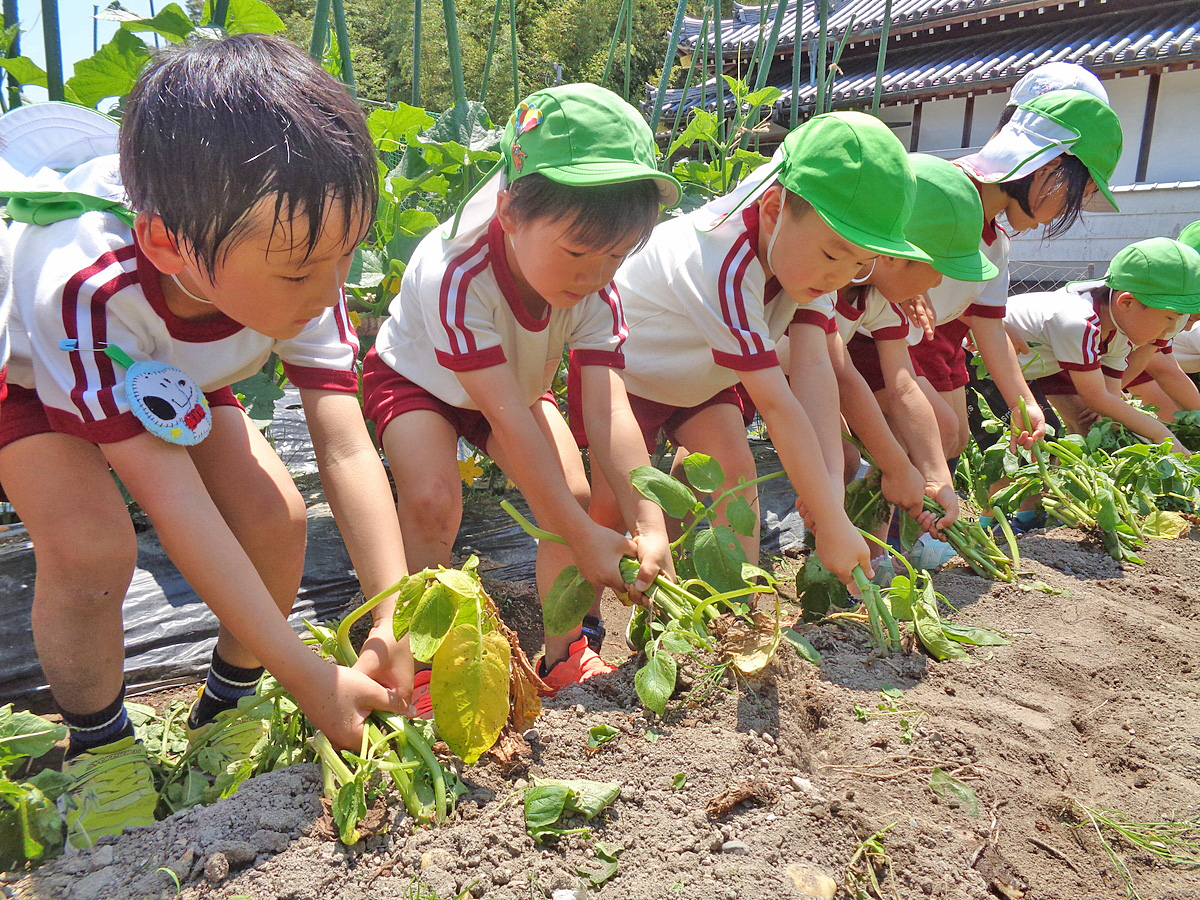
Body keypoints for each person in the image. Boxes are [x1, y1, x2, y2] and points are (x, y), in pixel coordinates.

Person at [0, 36, 413, 848]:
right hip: (33, 369)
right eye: (301, 271)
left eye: (347, 255)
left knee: (278, 519)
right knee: (91, 550)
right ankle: (99, 743)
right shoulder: (87, 282)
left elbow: (347, 445)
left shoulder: (299, 259)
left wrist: (393, 616)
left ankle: (230, 698)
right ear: (165, 242)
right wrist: (311, 675)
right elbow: (175, 501)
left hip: (167, 363)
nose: (332, 288)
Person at [363, 84, 677, 692]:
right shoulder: (457, 272)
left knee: (575, 496)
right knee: (432, 501)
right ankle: (420, 663)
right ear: (509, 213)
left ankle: (563, 651)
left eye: (614, 257)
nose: (593, 276)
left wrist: (649, 516)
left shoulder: (594, 291)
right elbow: (505, 418)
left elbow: (611, 412)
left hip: (516, 385)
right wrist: (586, 540)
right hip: (419, 381)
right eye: (578, 251)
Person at [579, 111, 937, 586]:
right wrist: (832, 521)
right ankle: (576, 640)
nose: (838, 277)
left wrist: (827, 498)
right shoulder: (721, 261)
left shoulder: (810, 242)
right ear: (772, 210)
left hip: (703, 377)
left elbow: (815, 373)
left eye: (860, 263)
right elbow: (777, 403)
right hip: (627, 374)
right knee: (611, 506)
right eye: (833, 256)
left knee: (738, 478)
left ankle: (737, 612)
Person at [805, 154, 999, 569]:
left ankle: (859, 560)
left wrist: (935, 476)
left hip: (802, 378)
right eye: (936, 271)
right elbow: (839, 375)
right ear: (894, 255)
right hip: (747, 372)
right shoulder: (822, 278)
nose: (936, 286)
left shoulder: (880, 297)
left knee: (848, 460)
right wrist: (896, 468)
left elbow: (903, 384)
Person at [915, 82, 1123, 460]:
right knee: (934, 437)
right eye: (1069, 199)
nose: (1058, 216)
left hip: (929, 347)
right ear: (1048, 168)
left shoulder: (995, 242)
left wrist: (1023, 404)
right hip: (873, 340)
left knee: (953, 438)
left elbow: (990, 326)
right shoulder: (938, 191)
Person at [1000, 237, 1200, 452]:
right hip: (983, 362)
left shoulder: (1118, 330)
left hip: (1033, 367)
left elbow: (1109, 396)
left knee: (1077, 433)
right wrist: (1163, 436)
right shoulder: (1080, 322)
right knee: (1033, 446)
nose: (1172, 330)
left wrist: (1109, 411)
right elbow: (1097, 397)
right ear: (1126, 302)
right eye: (1169, 318)